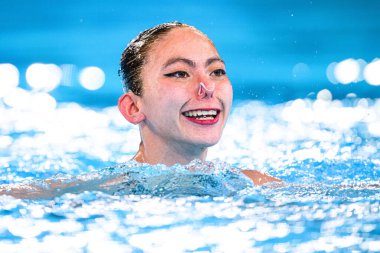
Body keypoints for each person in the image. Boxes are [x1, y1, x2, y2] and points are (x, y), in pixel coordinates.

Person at [117, 21, 280, 185]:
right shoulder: (106, 193)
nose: (208, 87)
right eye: (180, 73)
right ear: (133, 107)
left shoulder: (257, 185)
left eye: (217, 72)